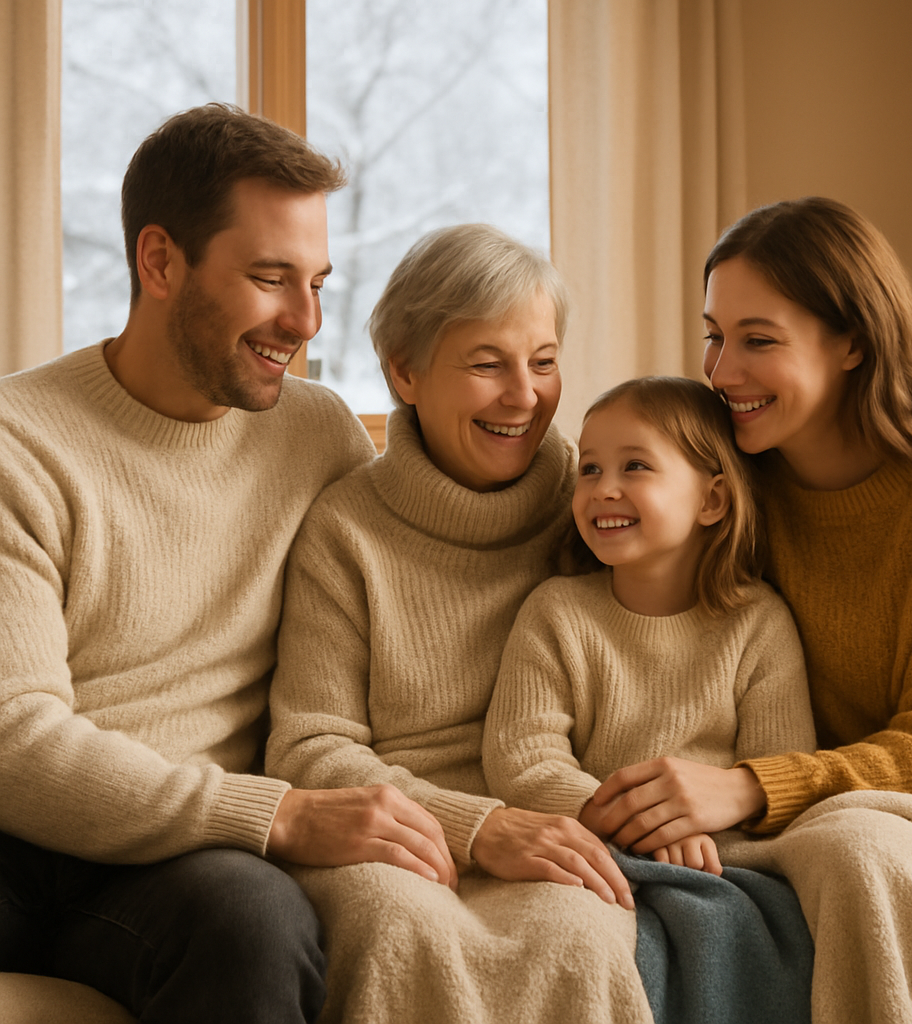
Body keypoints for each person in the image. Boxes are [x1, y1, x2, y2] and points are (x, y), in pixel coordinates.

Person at [0, 103, 455, 1024]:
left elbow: (419, 589)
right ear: (160, 262)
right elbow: (15, 737)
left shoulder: (318, 434)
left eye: (316, 283)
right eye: (270, 278)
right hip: (19, 835)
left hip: (180, 864)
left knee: (253, 922)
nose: (306, 320)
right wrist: (277, 814)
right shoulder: (21, 443)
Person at [579, 197, 912, 1023]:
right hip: (772, 815)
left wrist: (752, 787)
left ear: (852, 340)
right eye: (714, 336)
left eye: (759, 340)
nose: (722, 372)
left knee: (852, 846)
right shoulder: (728, 485)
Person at [267, 223, 654, 1024]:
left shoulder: (595, 507)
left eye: (543, 363)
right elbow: (310, 746)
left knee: (580, 933)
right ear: (404, 371)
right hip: (398, 834)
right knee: (398, 927)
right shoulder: (346, 529)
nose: (524, 397)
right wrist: (476, 826)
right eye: (487, 364)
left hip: (555, 821)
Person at [482, 375, 816, 873]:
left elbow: (778, 769)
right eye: (590, 469)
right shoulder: (556, 613)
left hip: (723, 857)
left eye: (635, 466)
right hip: (594, 847)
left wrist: (694, 829)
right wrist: (636, 824)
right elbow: (522, 757)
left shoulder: (759, 624)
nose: (603, 489)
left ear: (712, 501)